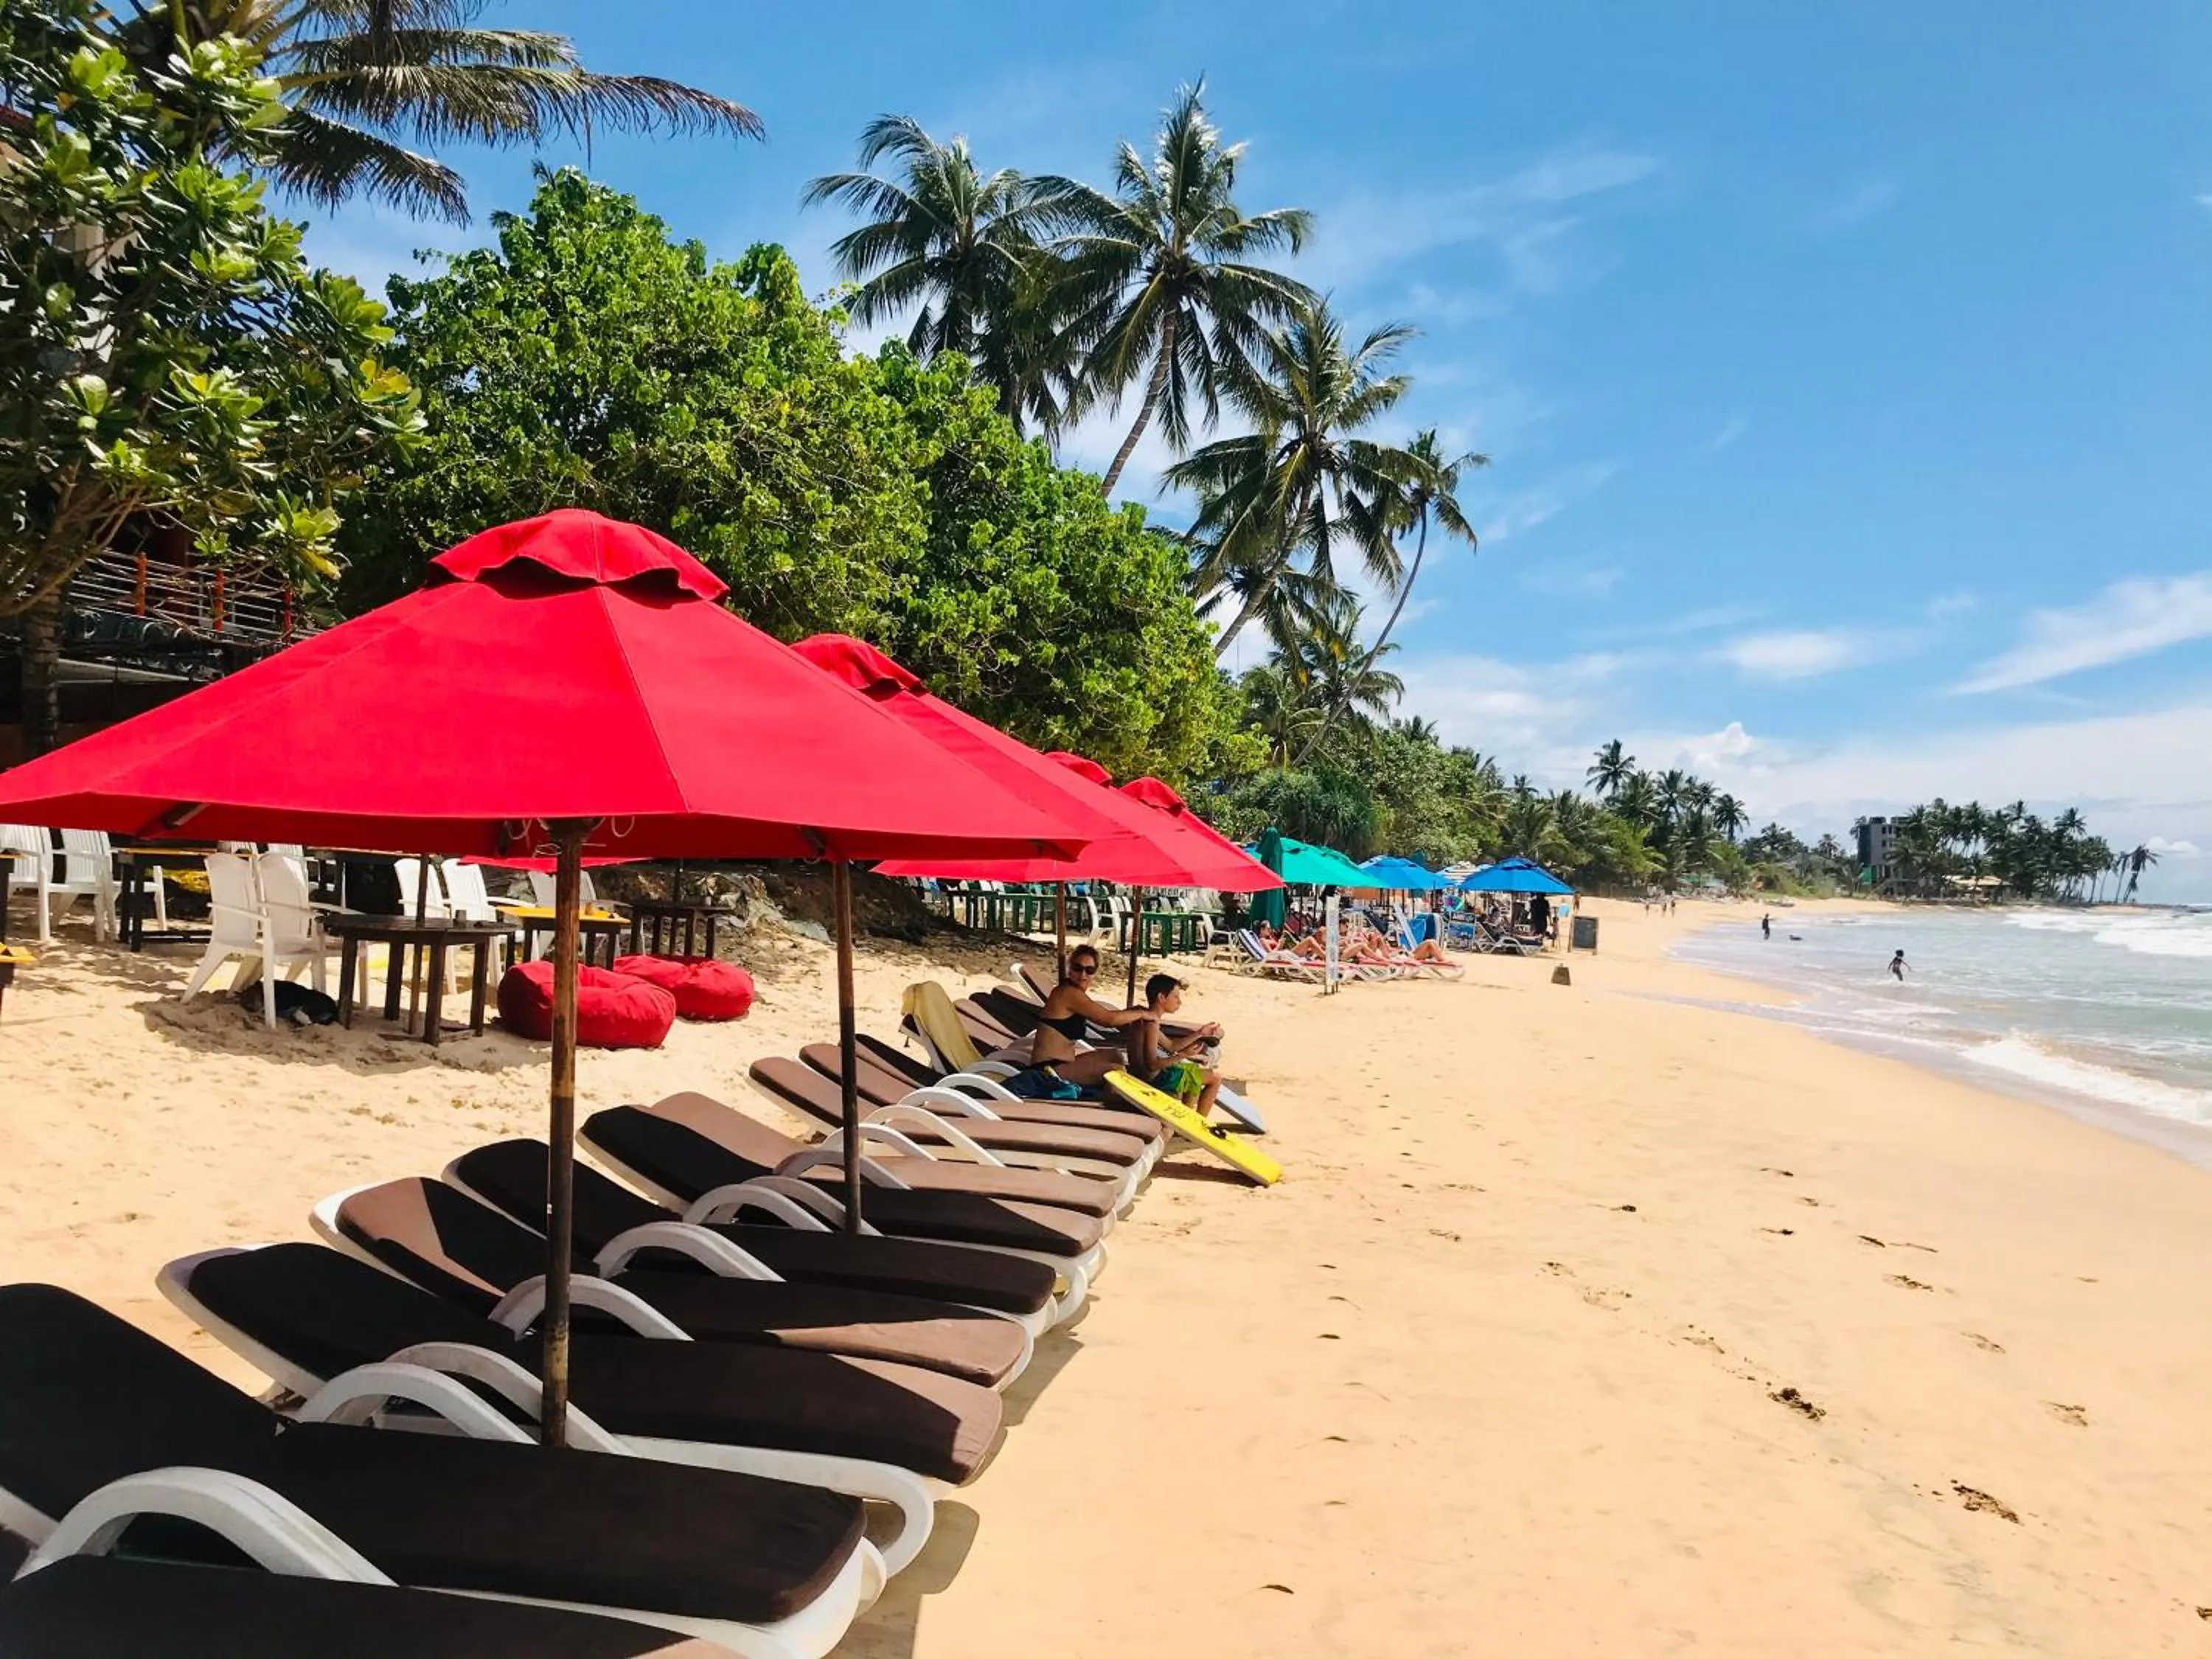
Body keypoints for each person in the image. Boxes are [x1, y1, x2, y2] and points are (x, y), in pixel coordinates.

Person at [1007, 944, 1160, 1093]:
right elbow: (1108, 1020)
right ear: (1070, 969)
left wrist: (1135, 1012)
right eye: (1077, 968)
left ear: (1095, 972)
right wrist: (1142, 1013)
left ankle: (1138, 1087)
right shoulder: (1069, 994)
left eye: (1089, 970)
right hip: (1049, 1070)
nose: (1083, 975)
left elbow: (1108, 1016)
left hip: (1065, 1063)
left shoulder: (1075, 993)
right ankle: (1114, 1107)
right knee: (1116, 1071)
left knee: (1115, 1055)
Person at [1131, 973, 1225, 1115]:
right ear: (1162, 998)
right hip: (1156, 1080)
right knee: (1215, 1077)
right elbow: (1152, 1064)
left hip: (1148, 1075)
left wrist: (1200, 1033)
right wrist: (1182, 1055)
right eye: (1176, 997)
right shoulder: (1151, 1024)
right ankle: (1198, 1125)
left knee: (1191, 1072)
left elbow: (1171, 1045)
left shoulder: (1146, 1018)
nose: (1179, 1002)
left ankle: (1188, 1122)